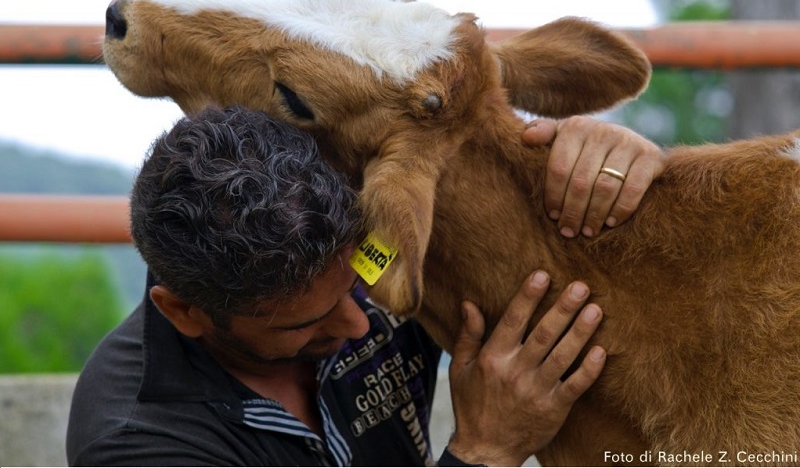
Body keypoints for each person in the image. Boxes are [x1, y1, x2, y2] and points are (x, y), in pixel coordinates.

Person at [66, 106, 664, 466]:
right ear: (184, 311)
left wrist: (605, 161)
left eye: (356, 283)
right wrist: (486, 450)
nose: (358, 325)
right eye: (304, 323)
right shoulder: (137, 440)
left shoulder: (380, 250)